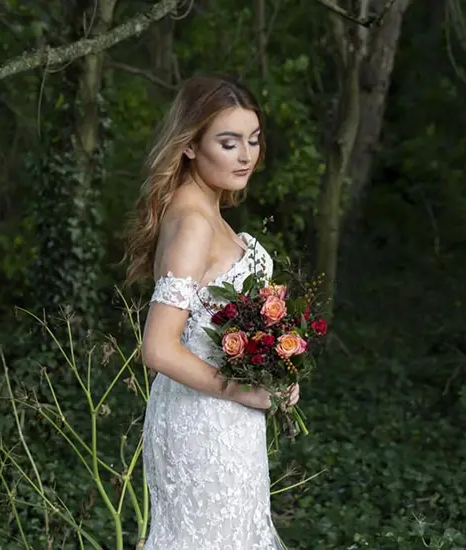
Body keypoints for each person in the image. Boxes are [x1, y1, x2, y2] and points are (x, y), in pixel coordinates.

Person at [123, 75, 300, 550]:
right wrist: (244, 390)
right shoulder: (194, 224)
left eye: (254, 140)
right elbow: (158, 349)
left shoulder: (211, 214)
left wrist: (278, 371)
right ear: (190, 146)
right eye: (229, 142)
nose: (246, 155)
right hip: (203, 427)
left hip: (228, 424)